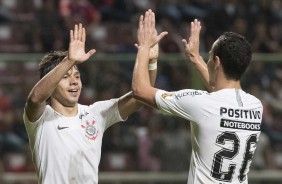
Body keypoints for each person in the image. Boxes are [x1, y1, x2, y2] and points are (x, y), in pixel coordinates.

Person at [132, 10, 263, 184]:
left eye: (208, 56)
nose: (206, 60)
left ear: (216, 62)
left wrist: (144, 48)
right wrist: (195, 58)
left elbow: (140, 90)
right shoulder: (255, 106)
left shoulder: (200, 103)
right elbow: (221, 92)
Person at [23, 22, 163, 183]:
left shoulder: (95, 114)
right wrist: (69, 60)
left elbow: (141, 95)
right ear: (53, 84)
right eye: (66, 77)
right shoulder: (41, 119)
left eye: (77, 76)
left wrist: (150, 61)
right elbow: (35, 98)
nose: (74, 82)